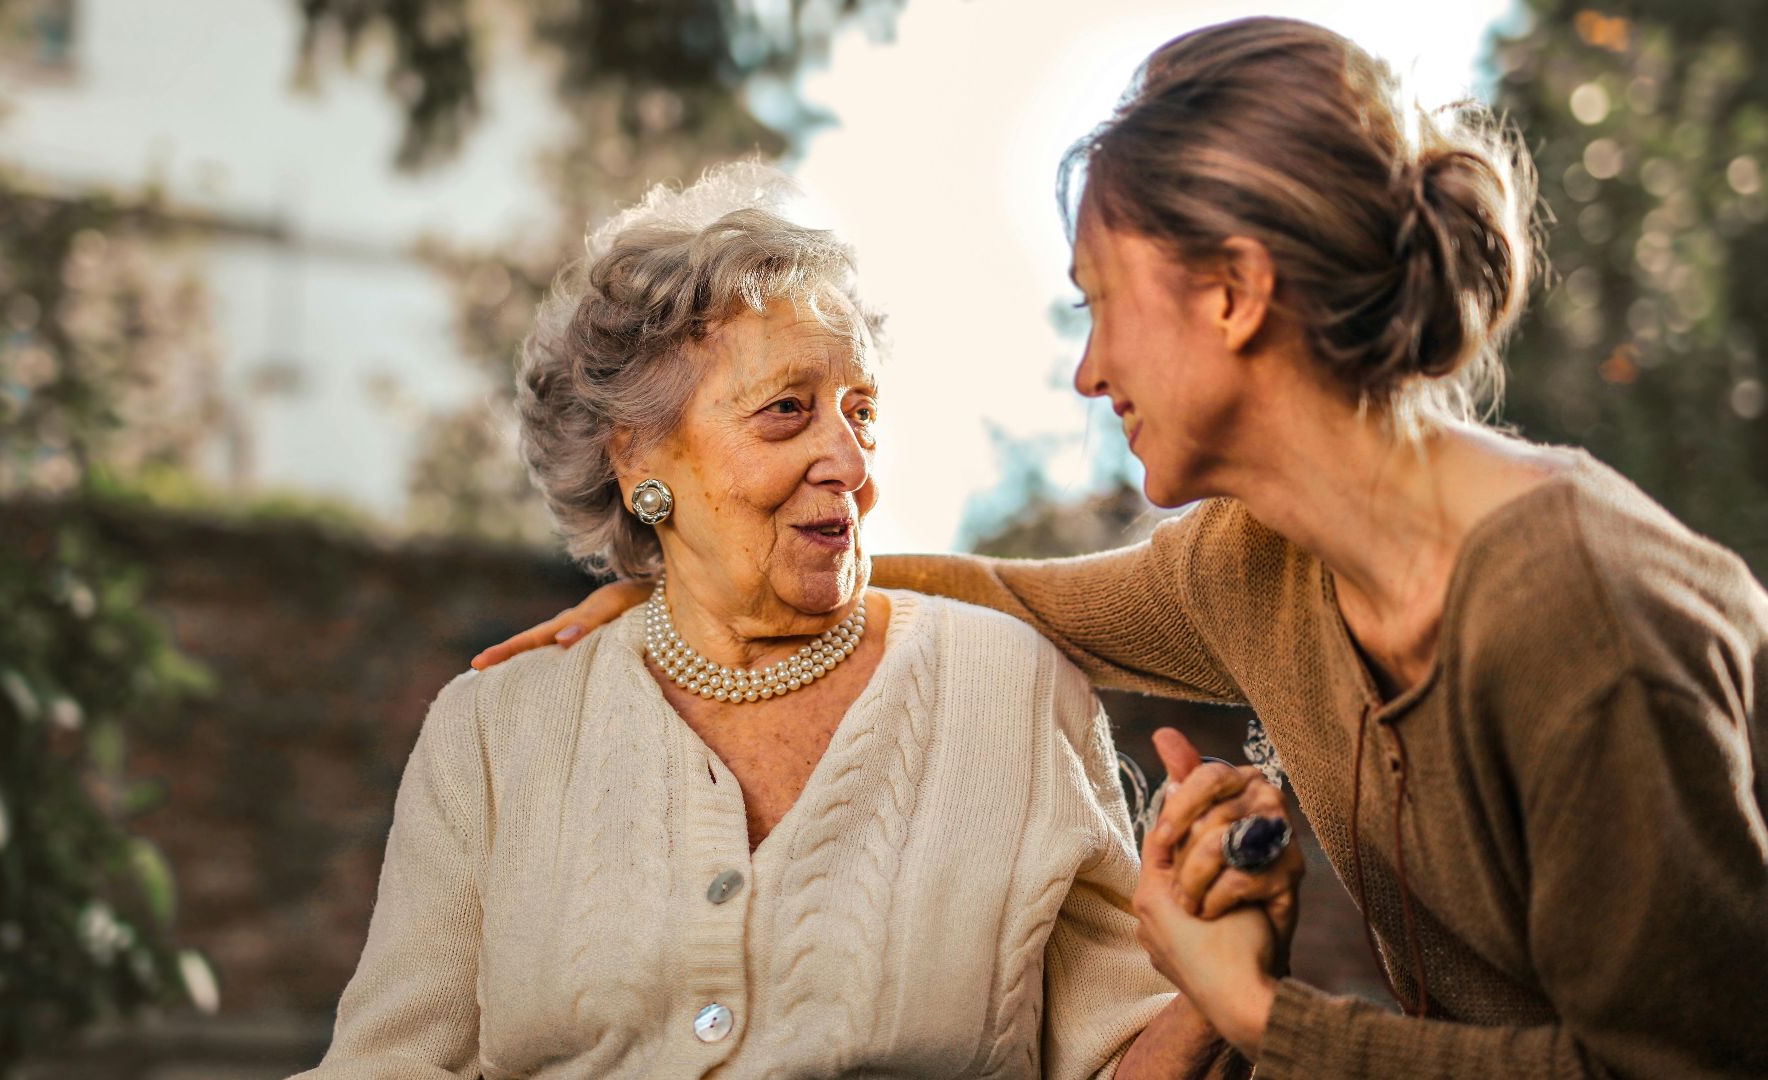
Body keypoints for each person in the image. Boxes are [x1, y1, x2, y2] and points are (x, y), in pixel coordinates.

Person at [472, 18, 1768, 1079]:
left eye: (1099, 305)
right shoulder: (1256, 564)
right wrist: (696, 589)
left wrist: (1262, 1017)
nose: (1088, 372)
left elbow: (1683, 1067)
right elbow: (1002, 595)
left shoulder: (1577, 613)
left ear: (1234, 292)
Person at [297, 163, 1256, 1079]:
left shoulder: (1012, 688)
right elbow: (390, 1062)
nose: (850, 461)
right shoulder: (494, 730)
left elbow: (1116, 1061)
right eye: (788, 411)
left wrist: (1219, 991)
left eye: (862, 411)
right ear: (639, 463)